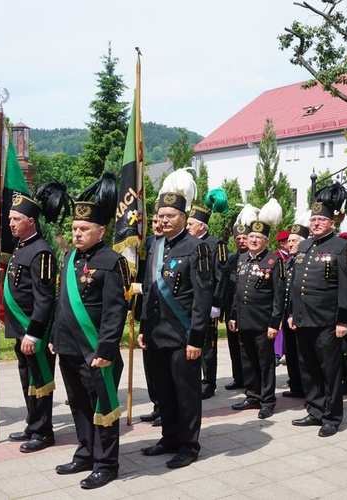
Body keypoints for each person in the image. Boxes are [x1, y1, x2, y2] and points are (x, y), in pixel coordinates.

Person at [50, 173, 130, 489]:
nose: (77, 233)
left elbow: (114, 312)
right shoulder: (69, 258)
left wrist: (106, 351)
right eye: (74, 229)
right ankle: (85, 453)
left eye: (84, 229)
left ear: (100, 230)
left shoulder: (112, 261)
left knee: (103, 407)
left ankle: (107, 463)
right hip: (69, 348)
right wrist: (56, 338)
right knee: (78, 404)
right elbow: (63, 303)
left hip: (96, 351)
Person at [139, 170, 213, 469]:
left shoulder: (198, 249)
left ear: (183, 216)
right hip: (157, 334)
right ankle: (169, 437)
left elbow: (203, 297)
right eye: (161, 215)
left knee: (186, 394)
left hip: (183, 338)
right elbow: (148, 291)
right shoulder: (155, 245)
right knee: (164, 393)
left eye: (171, 215)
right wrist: (144, 328)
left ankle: (188, 444)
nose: (164, 220)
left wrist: (196, 337)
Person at [0, 192, 58, 453]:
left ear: (31, 221)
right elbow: (22, 284)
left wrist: (34, 333)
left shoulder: (41, 252)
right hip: (21, 331)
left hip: (33, 332)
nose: (11, 223)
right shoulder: (21, 248)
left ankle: (43, 432)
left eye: (16, 219)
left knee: (40, 380)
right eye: (10, 218)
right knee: (26, 377)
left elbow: (44, 299)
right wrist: (2, 274)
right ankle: (33, 423)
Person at [288, 183, 347, 438]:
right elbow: (296, 284)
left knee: (330, 370)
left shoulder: (341, 246)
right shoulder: (304, 246)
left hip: (327, 321)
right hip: (303, 318)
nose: (316, 224)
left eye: (321, 220)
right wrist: (293, 313)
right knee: (308, 368)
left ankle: (332, 416)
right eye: (313, 219)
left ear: (331, 223)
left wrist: (343, 320)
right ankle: (315, 410)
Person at [229, 199, 285, 419]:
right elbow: (237, 291)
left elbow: (279, 296)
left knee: (265, 363)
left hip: (263, 323)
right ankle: (252, 395)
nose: (253, 240)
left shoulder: (273, 261)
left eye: (258, 238)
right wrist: (233, 316)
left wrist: (274, 323)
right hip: (244, 320)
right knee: (247, 360)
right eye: (251, 237)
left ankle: (268, 400)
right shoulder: (242, 259)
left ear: (266, 240)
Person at [186, 188, 229, 400]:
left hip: (208, 303)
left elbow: (221, 276)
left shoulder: (216, 244)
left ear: (201, 226)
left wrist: (217, 304)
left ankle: (209, 382)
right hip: (190, 302)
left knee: (208, 345)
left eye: (190, 224)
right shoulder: (187, 243)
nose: (187, 227)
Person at [281, 215, 310, 399]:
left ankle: (306, 387)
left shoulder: (306, 261)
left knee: (302, 354)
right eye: (289, 241)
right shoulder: (289, 261)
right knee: (290, 352)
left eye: (294, 241)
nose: (290, 244)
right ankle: (295, 385)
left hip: (300, 314)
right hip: (287, 313)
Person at [138, 212, 163, 426]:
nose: (157, 225)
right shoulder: (149, 244)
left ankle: (166, 409)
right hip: (149, 315)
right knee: (150, 366)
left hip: (168, 319)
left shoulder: (173, 246)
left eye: (159, 221)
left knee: (164, 370)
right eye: (153, 221)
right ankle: (157, 404)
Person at [222, 221, 250, 391]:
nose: (241, 241)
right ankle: (238, 378)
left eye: (244, 238)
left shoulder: (254, 258)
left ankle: (249, 379)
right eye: (238, 238)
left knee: (245, 347)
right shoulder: (231, 259)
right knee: (233, 346)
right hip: (230, 309)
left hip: (246, 309)